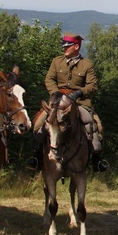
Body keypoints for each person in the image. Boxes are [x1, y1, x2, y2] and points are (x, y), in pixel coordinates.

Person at [31, 33, 107, 172]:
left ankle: (98, 161)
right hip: (57, 102)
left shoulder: (87, 64)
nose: (64, 49)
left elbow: (92, 86)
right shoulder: (56, 61)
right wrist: (55, 93)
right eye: (64, 46)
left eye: (67, 46)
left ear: (76, 46)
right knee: (38, 124)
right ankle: (36, 158)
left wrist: (78, 93)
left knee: (97, 126)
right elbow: (49, 79)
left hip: (79, 102)